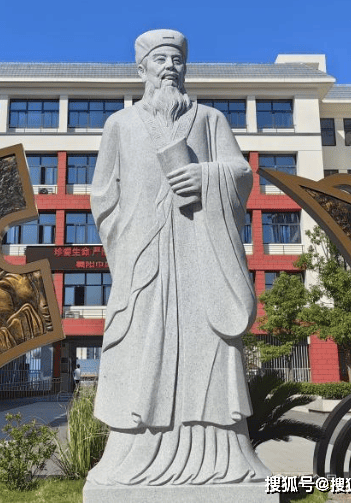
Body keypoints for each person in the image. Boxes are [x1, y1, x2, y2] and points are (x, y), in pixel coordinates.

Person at [86, 29, 268, 487]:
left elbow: (240, 174)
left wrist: (206, 177)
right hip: (143, 260)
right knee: (140, 345)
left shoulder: (209, 119)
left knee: (209, 346)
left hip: (201, 256)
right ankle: (131, 454)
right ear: (141, 69)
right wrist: (130, 242)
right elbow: (103, 197)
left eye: (177, 60)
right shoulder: (120, 125)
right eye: (160, 59)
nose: (170, 67)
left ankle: (223, 455)